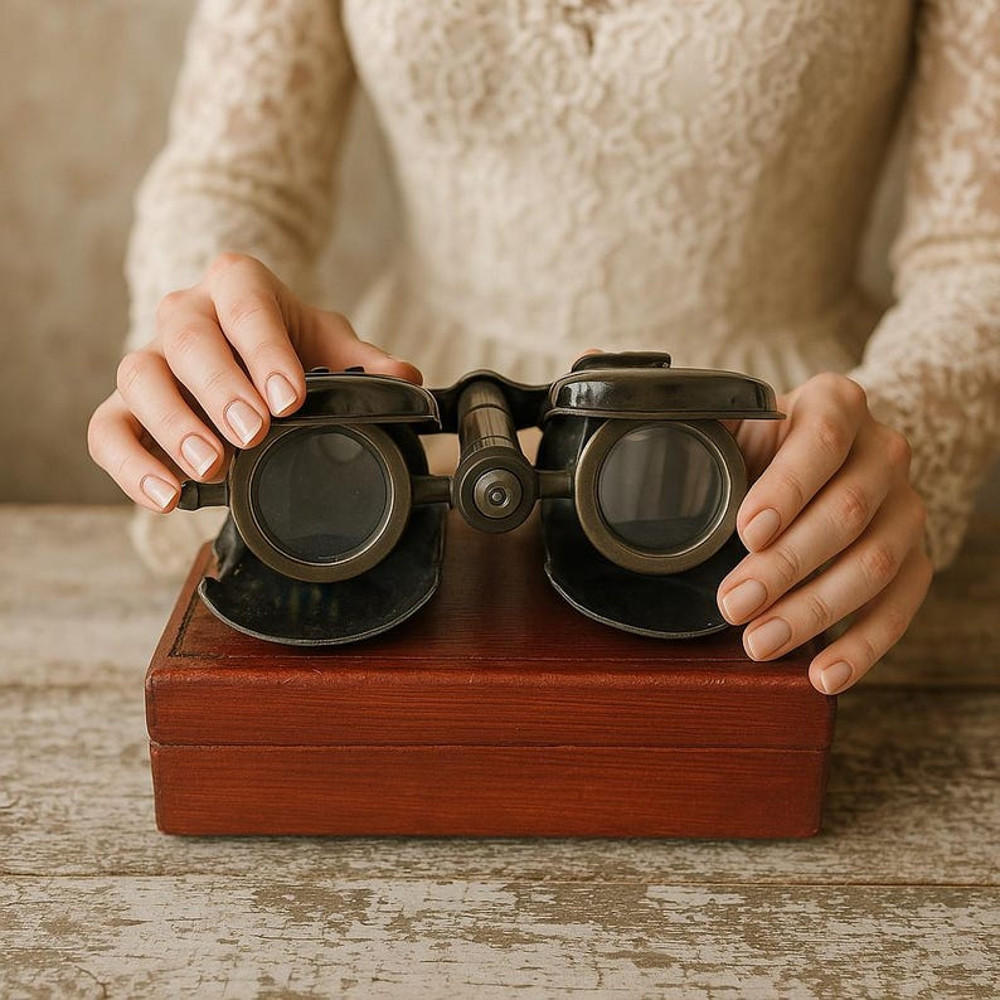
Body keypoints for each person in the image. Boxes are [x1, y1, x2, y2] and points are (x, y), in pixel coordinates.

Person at [88, 0, 1000, 696]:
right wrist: (212, 346)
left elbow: (978, 248)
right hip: (385, 450)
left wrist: (901, 419)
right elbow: (235, 176)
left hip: (760, 461)